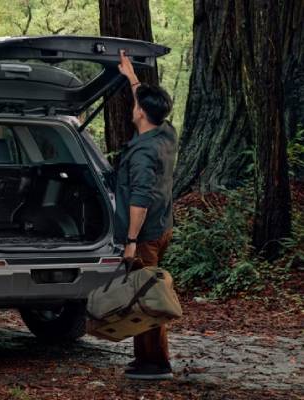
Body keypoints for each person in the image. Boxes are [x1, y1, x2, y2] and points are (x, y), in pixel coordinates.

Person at [115, 50, 178, 380]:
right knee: (146, 292)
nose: (134, 107)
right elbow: (150, 105)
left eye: (136, 104)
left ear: (140, 112)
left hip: (146, 234)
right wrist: (132, 79)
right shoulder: (166, 134)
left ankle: (157, 363)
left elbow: (139, 201)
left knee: (147, 297)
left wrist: (130, 241)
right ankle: (146, 359)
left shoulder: (142, 153)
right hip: (163, 227)